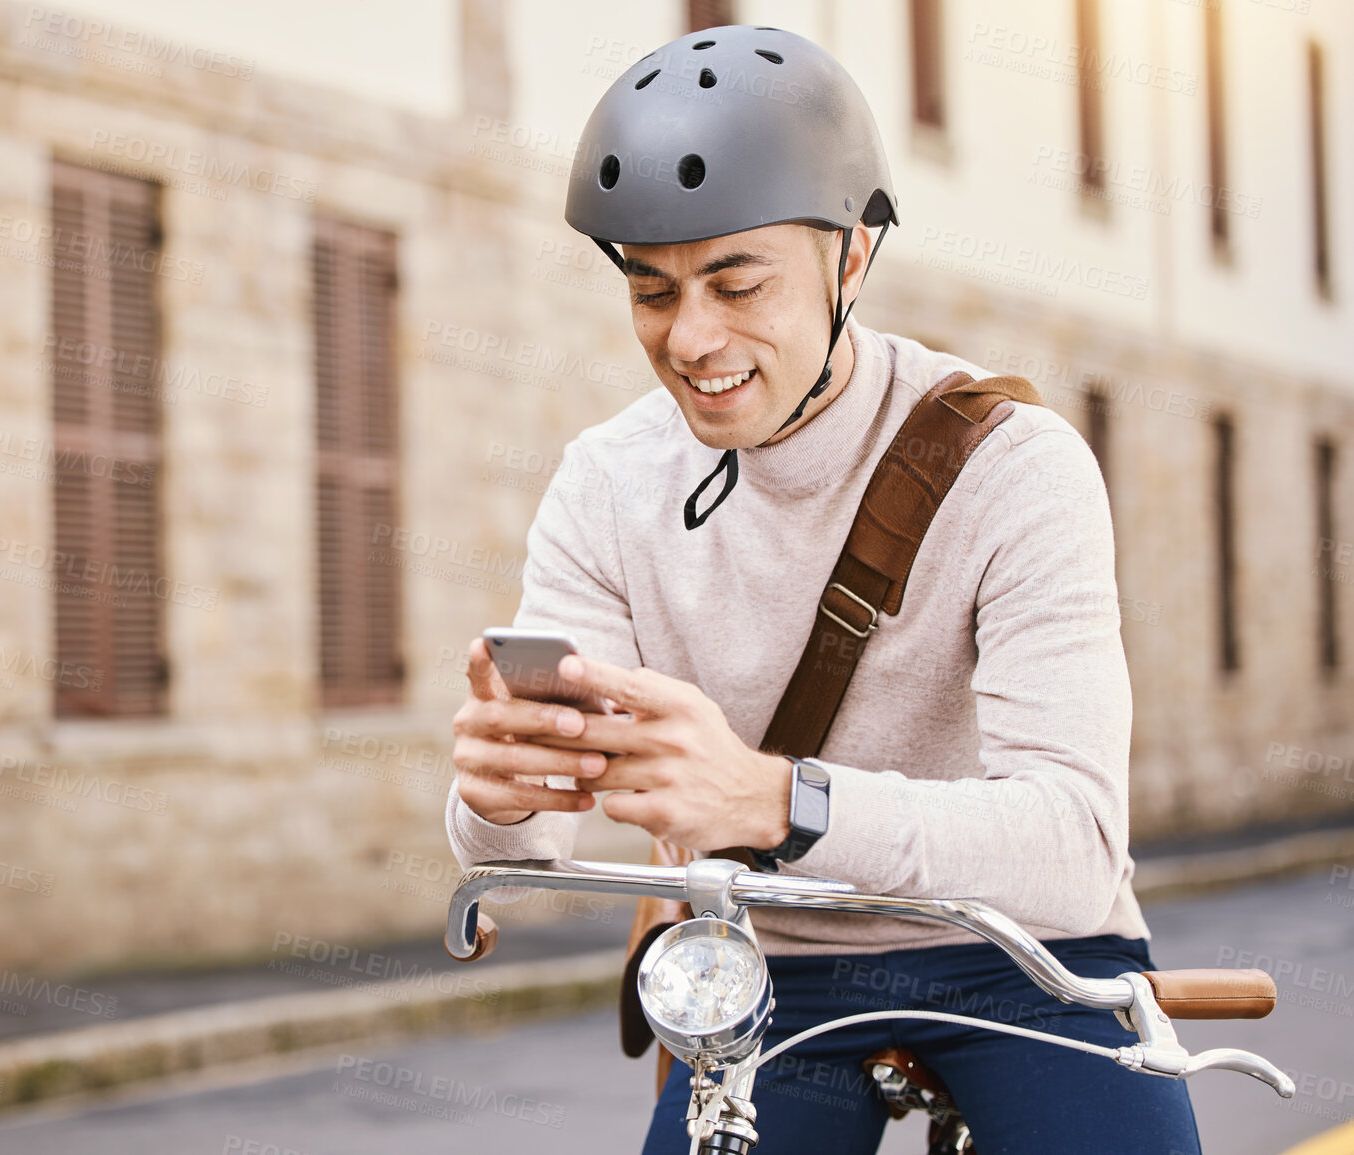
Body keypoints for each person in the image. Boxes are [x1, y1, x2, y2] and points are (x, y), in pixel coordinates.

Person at [444, 24, 1200, 1154]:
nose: (693, 338)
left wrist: (774, 802)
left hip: (1031, 948)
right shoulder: (609, 484)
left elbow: (1074, 844)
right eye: (653, 292)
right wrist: (499, 804)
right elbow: (530, 847)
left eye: (738, 284)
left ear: (853, 261)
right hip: (768, 960)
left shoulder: (1019, 467)